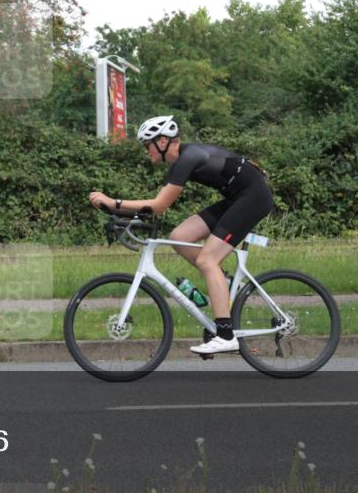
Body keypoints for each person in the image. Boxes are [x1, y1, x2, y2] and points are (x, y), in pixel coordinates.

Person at [88, 115, 274, 354]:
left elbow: (158, 206)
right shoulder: (182, 161)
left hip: (254, 198)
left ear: (163, 141)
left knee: (208, 260)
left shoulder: (188, 158)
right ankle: (224, 284)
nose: (147, 152)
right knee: (179, 236)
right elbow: (151, 209)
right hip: (238, 197)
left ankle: (226, 335)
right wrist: (124, 215)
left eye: (148, 146)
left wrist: (112, 202)